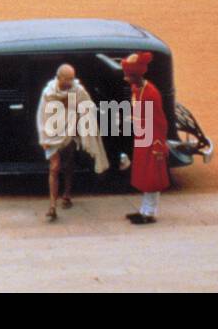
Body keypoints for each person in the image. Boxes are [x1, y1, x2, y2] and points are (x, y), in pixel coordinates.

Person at [37, 63, 109, 221]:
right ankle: (52, 206)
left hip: (70, 133)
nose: (70, 81)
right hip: (52, 133)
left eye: (72, 78)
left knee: (68, 164)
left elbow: (88, 107)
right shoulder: (48, 92)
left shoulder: (78, 90)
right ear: (59, 78)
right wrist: (43, 138)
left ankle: (67, 195)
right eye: (67, 78)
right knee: (54, 167)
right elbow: (41, 116)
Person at [121, 51, 169, 225]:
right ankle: (144, 209)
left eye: (128, 76)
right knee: (144, 175)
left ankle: (149, 213)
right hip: (143, 137)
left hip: (151, 140)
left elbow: (159, 122)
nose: (126, 79)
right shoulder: (138, 89)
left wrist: (157, 144)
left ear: (136, 75)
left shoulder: (150, 94)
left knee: (151, 177)